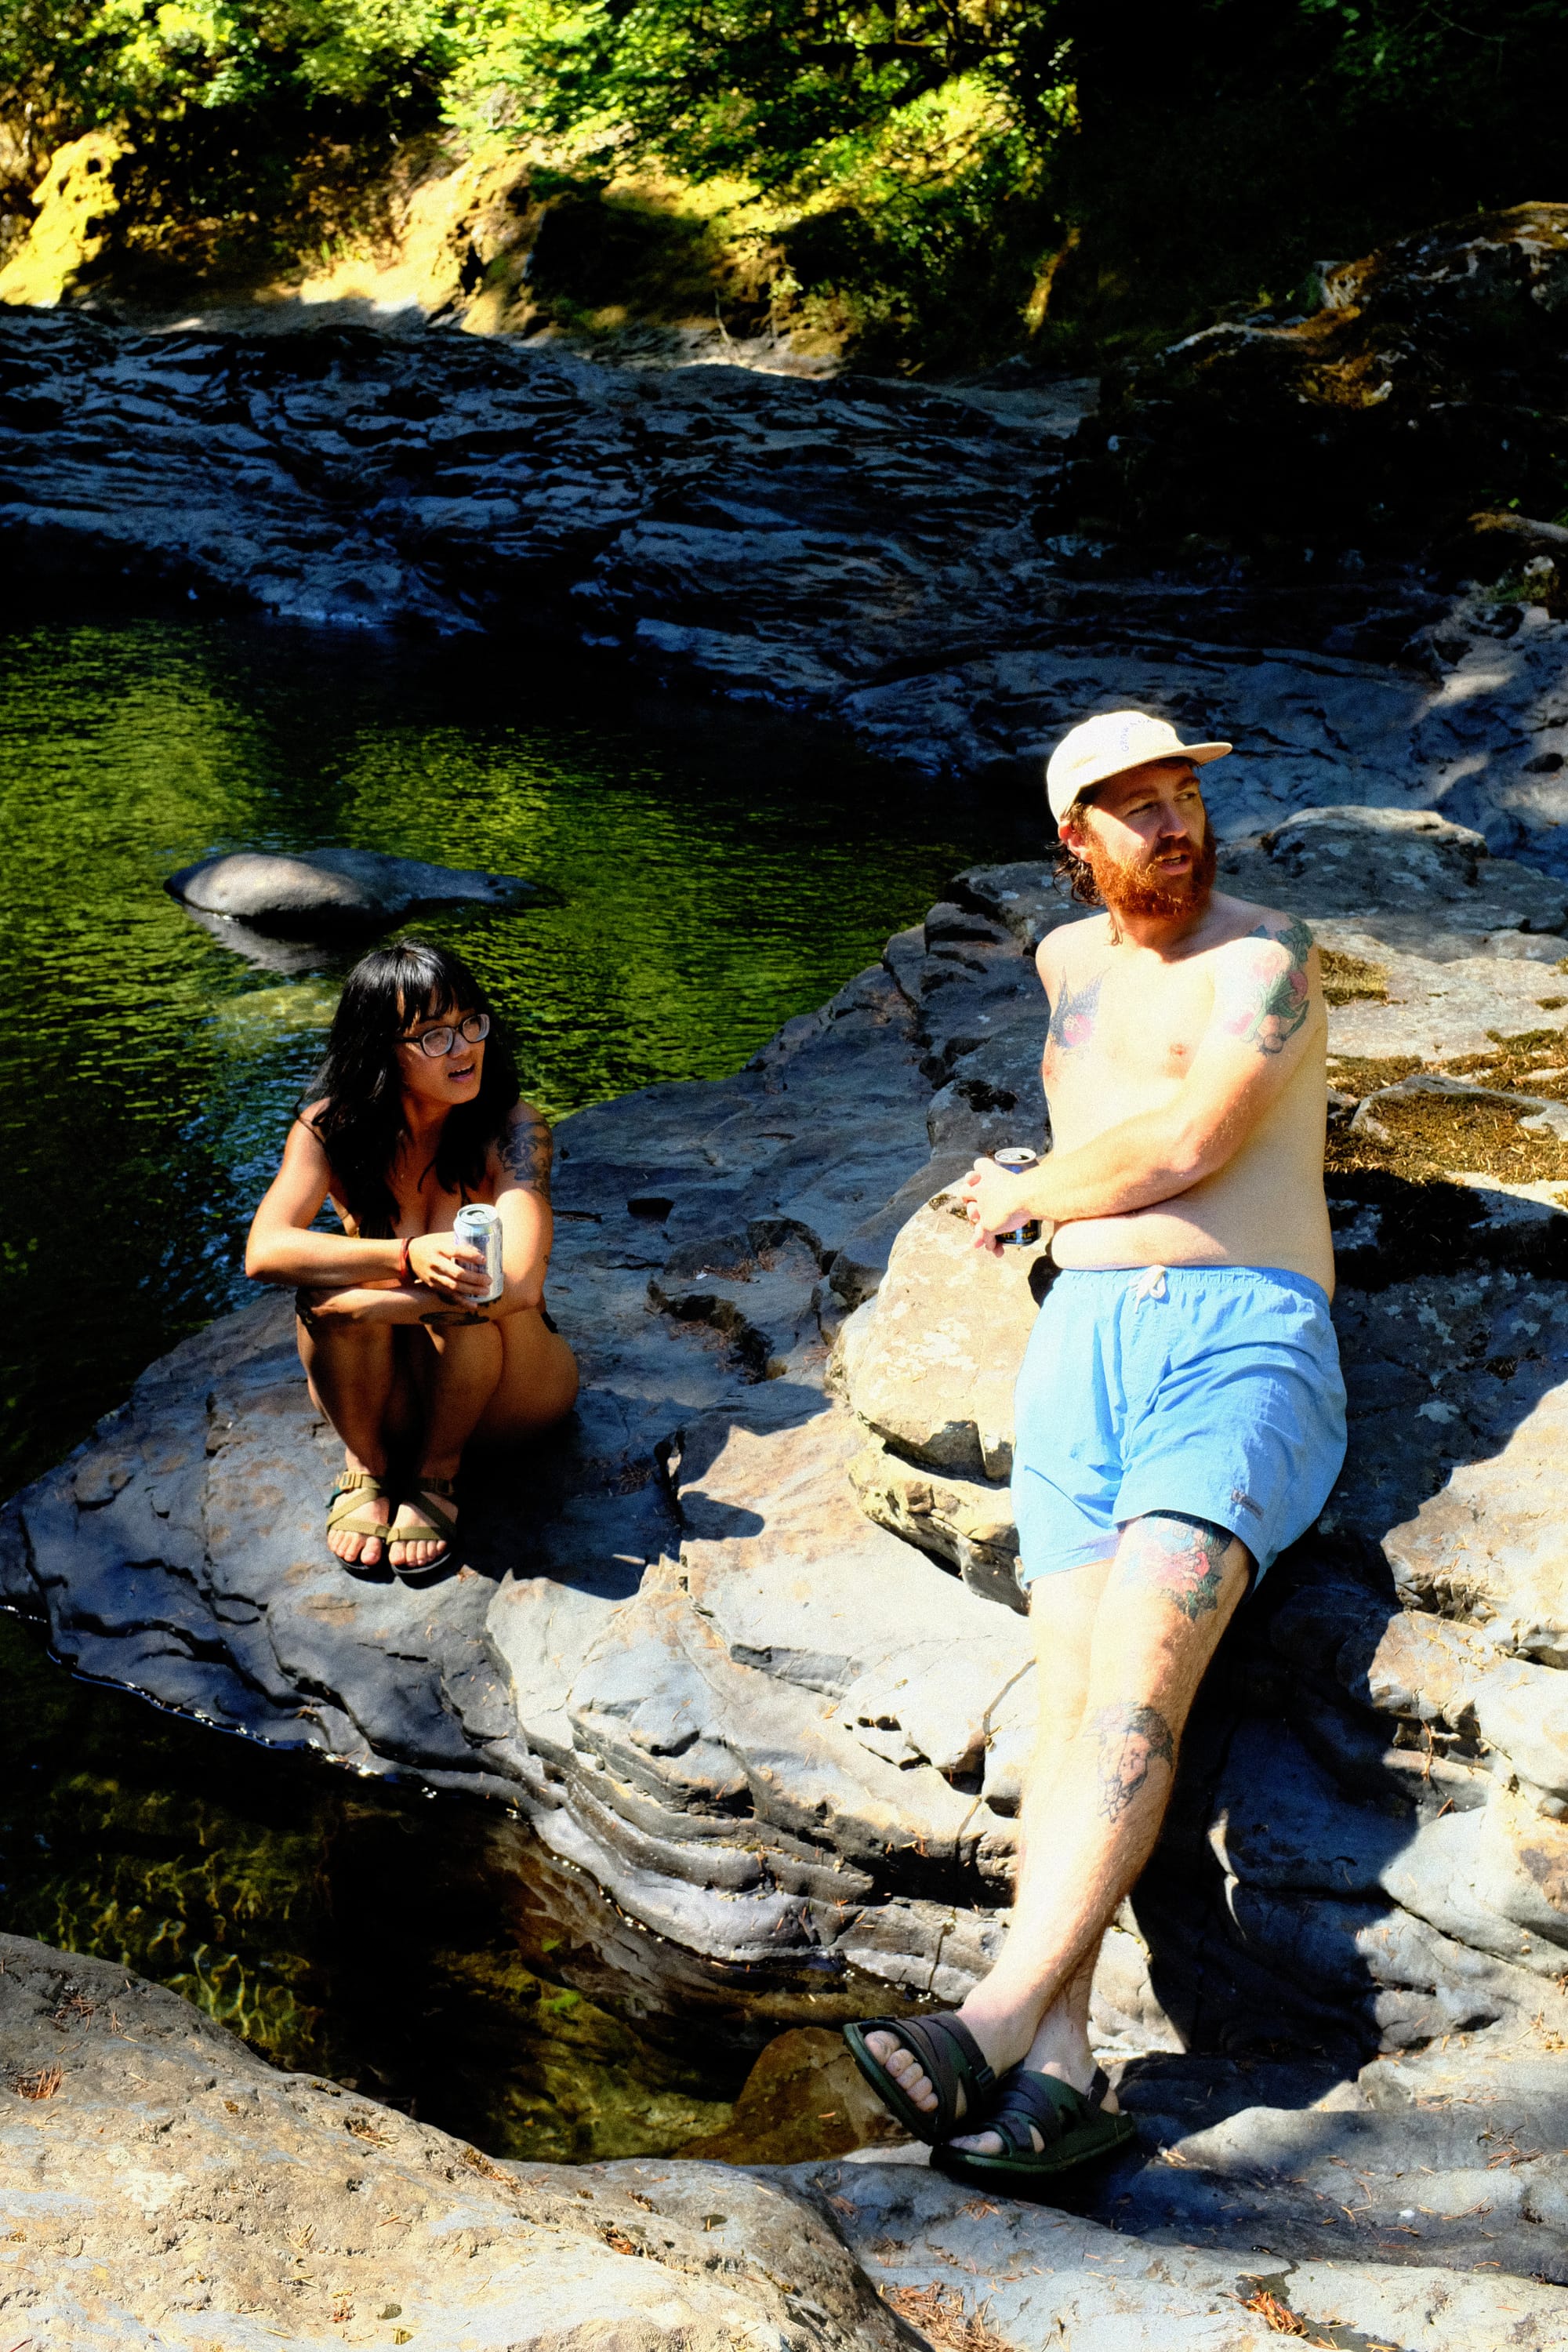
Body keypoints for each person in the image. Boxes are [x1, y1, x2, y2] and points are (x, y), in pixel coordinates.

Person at [844, 710, 1346, 2187]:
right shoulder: (1065, 961)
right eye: (1138, 807)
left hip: (1238, 1338)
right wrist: (1044, 1181)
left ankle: (990, 2019)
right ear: (1075, 841)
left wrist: (1036, 1194)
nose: (1175, 824)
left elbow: (1190, 1143)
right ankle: (1060, 2078)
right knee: (1064, 1716)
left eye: (1184, 795)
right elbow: (1101, 1133)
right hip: (1081, 1353)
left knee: (1139, 1679)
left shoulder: (1270, 958)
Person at [245, 938, 578, 1577]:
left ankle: (438, 1472)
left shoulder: (513, 1130)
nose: (464, 1049)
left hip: (509, 1396)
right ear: (380, 1050)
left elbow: (520, 1285)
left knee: (458, 1292)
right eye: (434, 1036)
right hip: (383, 1397)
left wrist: (366, 1308)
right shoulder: (329, 1129)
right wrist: (406, 1256)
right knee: (324, 1286)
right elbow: (264, 1251)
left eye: (471, 1024)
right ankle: (367, 1464)